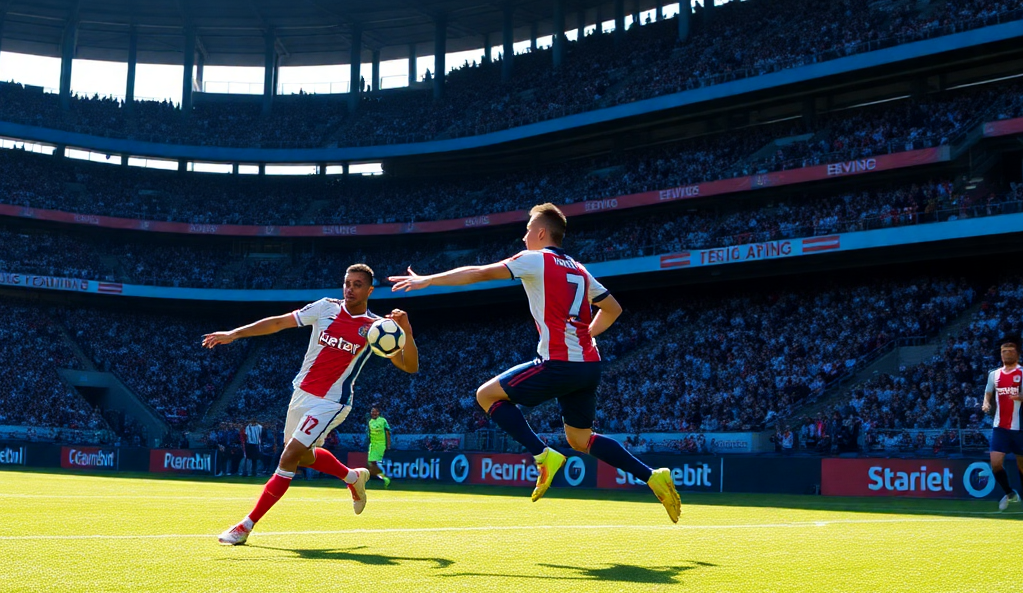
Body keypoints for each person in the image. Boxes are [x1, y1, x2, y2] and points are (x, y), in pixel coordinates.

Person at [390, 203, 680, 521]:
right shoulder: (579, 270)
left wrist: (429, 280)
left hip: (559, 363)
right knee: (580, 439)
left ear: (541, 232)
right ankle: (653, 476)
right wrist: (587, 335)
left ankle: (543, 455)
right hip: (589, 365)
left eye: (528, 229)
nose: (524, 234)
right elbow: (613, 309)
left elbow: (480, 273)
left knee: (485, 395)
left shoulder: (534, 259)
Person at [203, 264, 419, 545]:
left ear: (369, 290)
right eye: (346, 283)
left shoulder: (377, 329)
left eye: (356, 284)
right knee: (304, 456)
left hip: (332, 401)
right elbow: (279, 322)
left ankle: (246, 525)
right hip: (301, 394)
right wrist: (235, 334)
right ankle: (352, 477)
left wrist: (408, 333)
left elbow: (409, 366)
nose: (349, 289)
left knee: (289, 456)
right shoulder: (325, 308)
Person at [981, 341, 1023, 513]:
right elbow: (988, 390)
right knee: (995, 464)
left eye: (1011, 351)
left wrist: (1021, 397)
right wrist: (986, 403)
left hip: (1022, 428)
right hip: (1000, 428)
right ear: (1000, 354)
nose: (1007, 354)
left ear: (1017, 354)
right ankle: (1010, 493)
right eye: (1004, 351)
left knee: (1022, 466)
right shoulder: (994, 374)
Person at [366, 406, 392, 487]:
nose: (373, 413)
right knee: (371, 463)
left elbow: (387, 432)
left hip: (380, 444)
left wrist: (388, 444)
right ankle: (383, 477)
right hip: (372, 444)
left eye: (375, 411)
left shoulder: (383, 420)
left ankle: (383, 477)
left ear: (378, 412)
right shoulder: (370, 422)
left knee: (374, 462)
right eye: (372, 411)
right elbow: (369, 434)